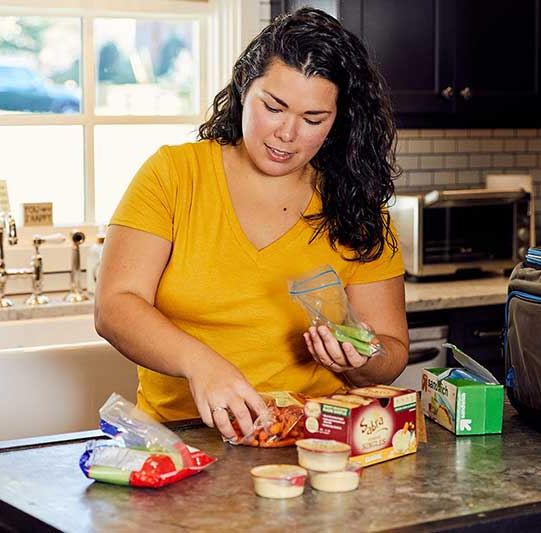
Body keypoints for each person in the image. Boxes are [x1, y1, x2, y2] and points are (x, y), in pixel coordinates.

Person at [95, 8, 409, 440]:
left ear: (337, 122)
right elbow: (115, 306)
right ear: (245, 87)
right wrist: (201, 363)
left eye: (313, 119)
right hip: (181, 441)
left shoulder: (356, 204)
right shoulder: (174, 174)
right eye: (274, 107)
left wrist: (359, 358)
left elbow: (390, 352)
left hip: (313, 442)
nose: (287, 133)